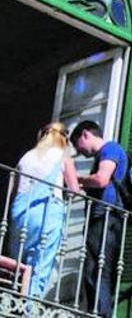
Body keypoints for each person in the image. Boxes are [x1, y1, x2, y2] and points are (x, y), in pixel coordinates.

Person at [9, 122, 80, 298]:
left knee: (18, 263)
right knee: (40, 264)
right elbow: (74, 190)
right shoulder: (62, 156)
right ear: (63, 139)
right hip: (47, 212)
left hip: (21, 212)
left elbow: (13, 190)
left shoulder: (26, 157)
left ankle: (11, 298)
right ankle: (29, 307)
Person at [71, 120, 128, 318]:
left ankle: (101, 314)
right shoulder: (105, 153)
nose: (81, 152)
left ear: (85, 134)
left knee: (98, 269)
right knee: (93, 269)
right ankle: (96, 312)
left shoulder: (110, 149)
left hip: (107, 215)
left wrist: (77, 179)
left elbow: (102, 179)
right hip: (104, 215)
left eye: (79, 146)